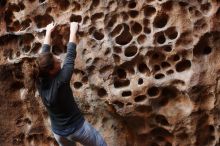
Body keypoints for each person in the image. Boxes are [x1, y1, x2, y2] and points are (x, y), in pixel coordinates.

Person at [35, 22, 107, 146]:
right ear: (51, 70)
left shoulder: (38, 78)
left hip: (59, 133)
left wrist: (48, 32)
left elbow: (44, 54)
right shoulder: (61, 80)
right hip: (78, 130)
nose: (59, 60)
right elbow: (70, 56)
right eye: (56, 62)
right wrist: (73, 31)